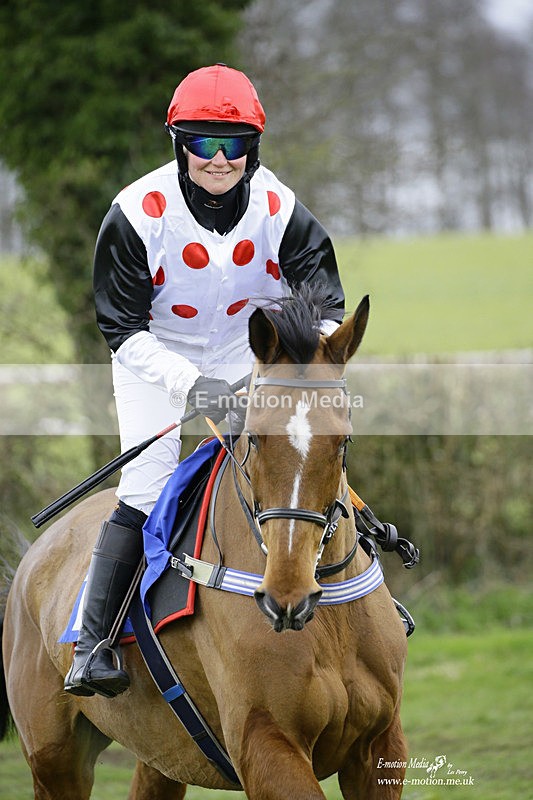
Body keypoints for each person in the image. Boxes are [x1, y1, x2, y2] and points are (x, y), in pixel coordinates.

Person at [64, 63, 345, 698]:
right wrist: (193, 385)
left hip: (250, 358)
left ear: (254, 148)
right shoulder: (136, 212)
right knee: (146, 484)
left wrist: (301, 371)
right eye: (203, 143)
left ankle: (358, 590)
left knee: (304, 452)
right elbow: (122, 327)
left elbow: (327, 307)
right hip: (152, 357)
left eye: (235, 145)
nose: (219, 159)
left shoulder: (280, 208)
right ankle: (93, 642)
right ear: (178, 143)